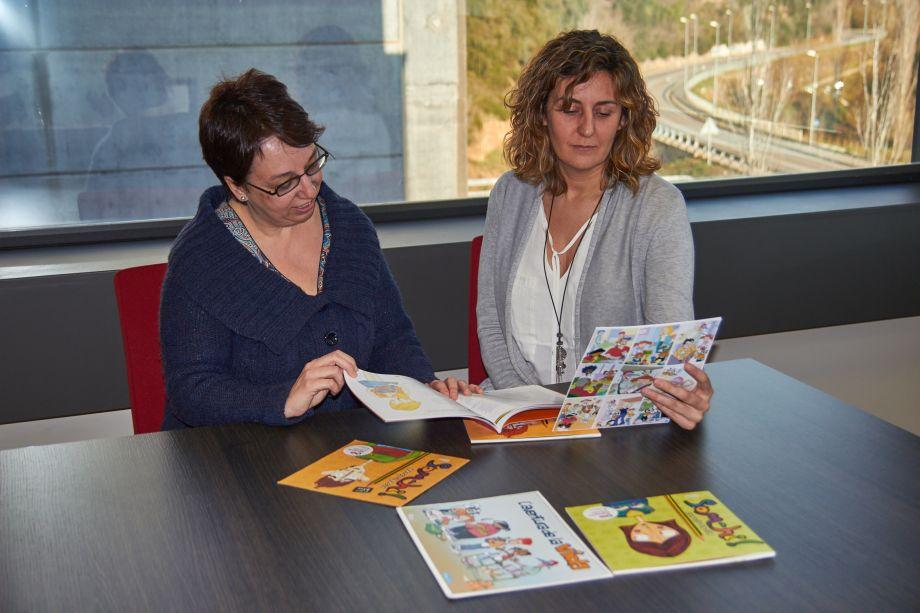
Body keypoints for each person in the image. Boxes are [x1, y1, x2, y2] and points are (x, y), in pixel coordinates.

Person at [160, 69, 476, 429]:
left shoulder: (348, 228)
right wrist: (281, 399)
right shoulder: (202, 259)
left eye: (312, 166)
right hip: (238, 458)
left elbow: (392, 337)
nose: (308, 190)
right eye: (284, 184)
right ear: (237, 187)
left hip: (350, 451)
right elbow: (192, 390)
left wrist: (424, 386)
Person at [477, 30, 713, 430]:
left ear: (624, 119)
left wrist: (685, 387)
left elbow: (669, 348)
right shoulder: (510, 193)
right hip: (514, 411)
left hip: (616, 425)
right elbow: (491, 322)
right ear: (541, 115)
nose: (588, 129)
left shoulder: (657, 208)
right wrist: (531, 410)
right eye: (570, 110)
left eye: (604, 112)